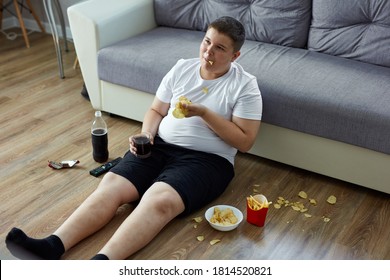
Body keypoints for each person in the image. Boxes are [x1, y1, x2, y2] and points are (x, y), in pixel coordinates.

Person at [5, 16, 263, 260]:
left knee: (158, 200)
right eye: (207, 41)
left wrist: (204, 112)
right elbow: (156, 110)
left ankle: (102, 262)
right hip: (159, 145)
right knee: (112, 184)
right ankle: (52, 245)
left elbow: (244, 142)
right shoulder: (182, 68)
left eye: (219, 48)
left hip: (208, 160)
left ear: (235, 55)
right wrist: (147, 133)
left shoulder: (244, 86)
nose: (208, 52)